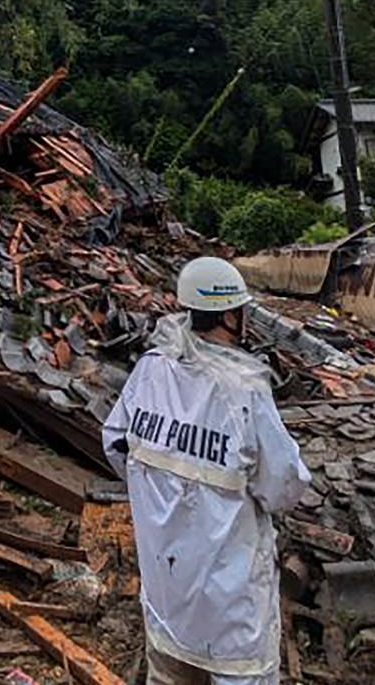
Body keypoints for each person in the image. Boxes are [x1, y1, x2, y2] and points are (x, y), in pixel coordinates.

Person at [103, 257, 310, 685]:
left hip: (166, 587)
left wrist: (164, 493)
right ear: (233, 315)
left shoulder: (150, 370)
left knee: (169, 672)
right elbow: (285, 486)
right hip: (230, 607)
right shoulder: (244, 389)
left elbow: (117, 444)